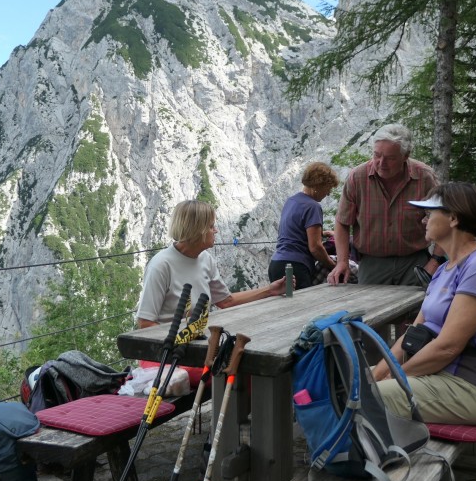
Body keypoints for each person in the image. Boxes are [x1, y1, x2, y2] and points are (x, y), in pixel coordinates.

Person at [372, 182, 476, 425]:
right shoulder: (444, 270)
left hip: (469, 387)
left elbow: (447, 347)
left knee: (365, 397)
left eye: (429, 214)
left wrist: (394, 378)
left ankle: (369, 460)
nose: (423, 220)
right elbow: (411, 335)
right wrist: (377, 375)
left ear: (453, 218)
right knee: (353, 383)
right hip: (438, 375)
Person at [135, 199, 289, 329]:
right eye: (211, 226)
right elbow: (145, 322)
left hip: (195, 343)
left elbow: (226, 301)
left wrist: (270, 290)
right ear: (196, 230)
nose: (215, 230)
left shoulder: (205, 259)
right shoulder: (161, 265)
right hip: (167, 353)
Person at [326, 124, 441, 286]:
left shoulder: (425, 178)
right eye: (377, 155)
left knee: (417, 310)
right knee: (369, 310)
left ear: (405, 156)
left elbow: (444, 222)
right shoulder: (357, 178)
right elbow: (342, 222)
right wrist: (342, 262)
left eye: (390, 158)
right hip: (372, 264)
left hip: (415, 263)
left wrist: (435, 261)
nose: (381, 163)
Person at [268, 162, 339, 290]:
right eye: (328, 188)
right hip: (295, 268)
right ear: (318, 185)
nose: (328, 193)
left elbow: (294, 228)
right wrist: (333, 265)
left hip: (276, 265)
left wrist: (323, 233)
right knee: (302, 308)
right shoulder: (313, 206)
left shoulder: (291, 201)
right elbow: (315, 247)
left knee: (285, 308)